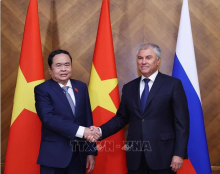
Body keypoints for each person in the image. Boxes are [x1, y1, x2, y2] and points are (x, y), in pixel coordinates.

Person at [86, 43, 190, 174]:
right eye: (140, 58)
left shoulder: (173, 84)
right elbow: (121, 118)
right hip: (135, 158)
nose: (143, 62)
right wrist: (100, 131)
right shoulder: (129, 88)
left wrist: (179, 153)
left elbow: (182, 123)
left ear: (158, 61)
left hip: (164, 156)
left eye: (148, 57)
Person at [34, 49, 100, 174]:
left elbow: (87, 118)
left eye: (67, 65)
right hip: (54, 156)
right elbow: (48, 118)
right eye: (58, 66)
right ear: (50, 70)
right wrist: (81, 131)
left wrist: (90, 151)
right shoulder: (42, 90)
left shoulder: (81, 87)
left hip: (79, 156)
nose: (63, 69)